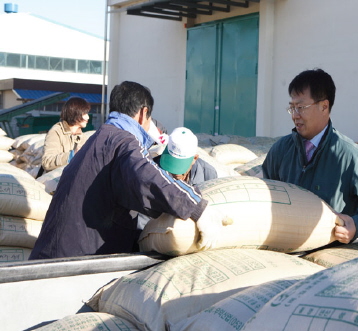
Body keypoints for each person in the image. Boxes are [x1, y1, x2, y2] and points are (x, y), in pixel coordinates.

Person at [30, 81, 229, 260]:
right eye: (150, 118)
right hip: (69, 266)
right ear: (143, 113)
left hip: (55, 255)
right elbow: (146, 175)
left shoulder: (101, 138)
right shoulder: (122, 141)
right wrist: (196, 208)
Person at [261, 68, 358, 244]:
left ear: (324, 106)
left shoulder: (348, 155)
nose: (295, 115)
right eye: (292, 107)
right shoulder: (281, 150)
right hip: (284, 249)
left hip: (328, 252)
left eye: (301, 107)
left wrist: (357, 225)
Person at [153, 127, 218, 186]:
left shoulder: (208, 174)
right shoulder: (153, 168)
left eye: (180, 166)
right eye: (172, 164)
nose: (175, 173)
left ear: (194, 158)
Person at [41, 97, 91, 173]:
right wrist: (72, 155)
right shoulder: (56, 132)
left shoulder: (83, 138)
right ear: (75, 113)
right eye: (84, 113)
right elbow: (47, 162)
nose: (88, 117)